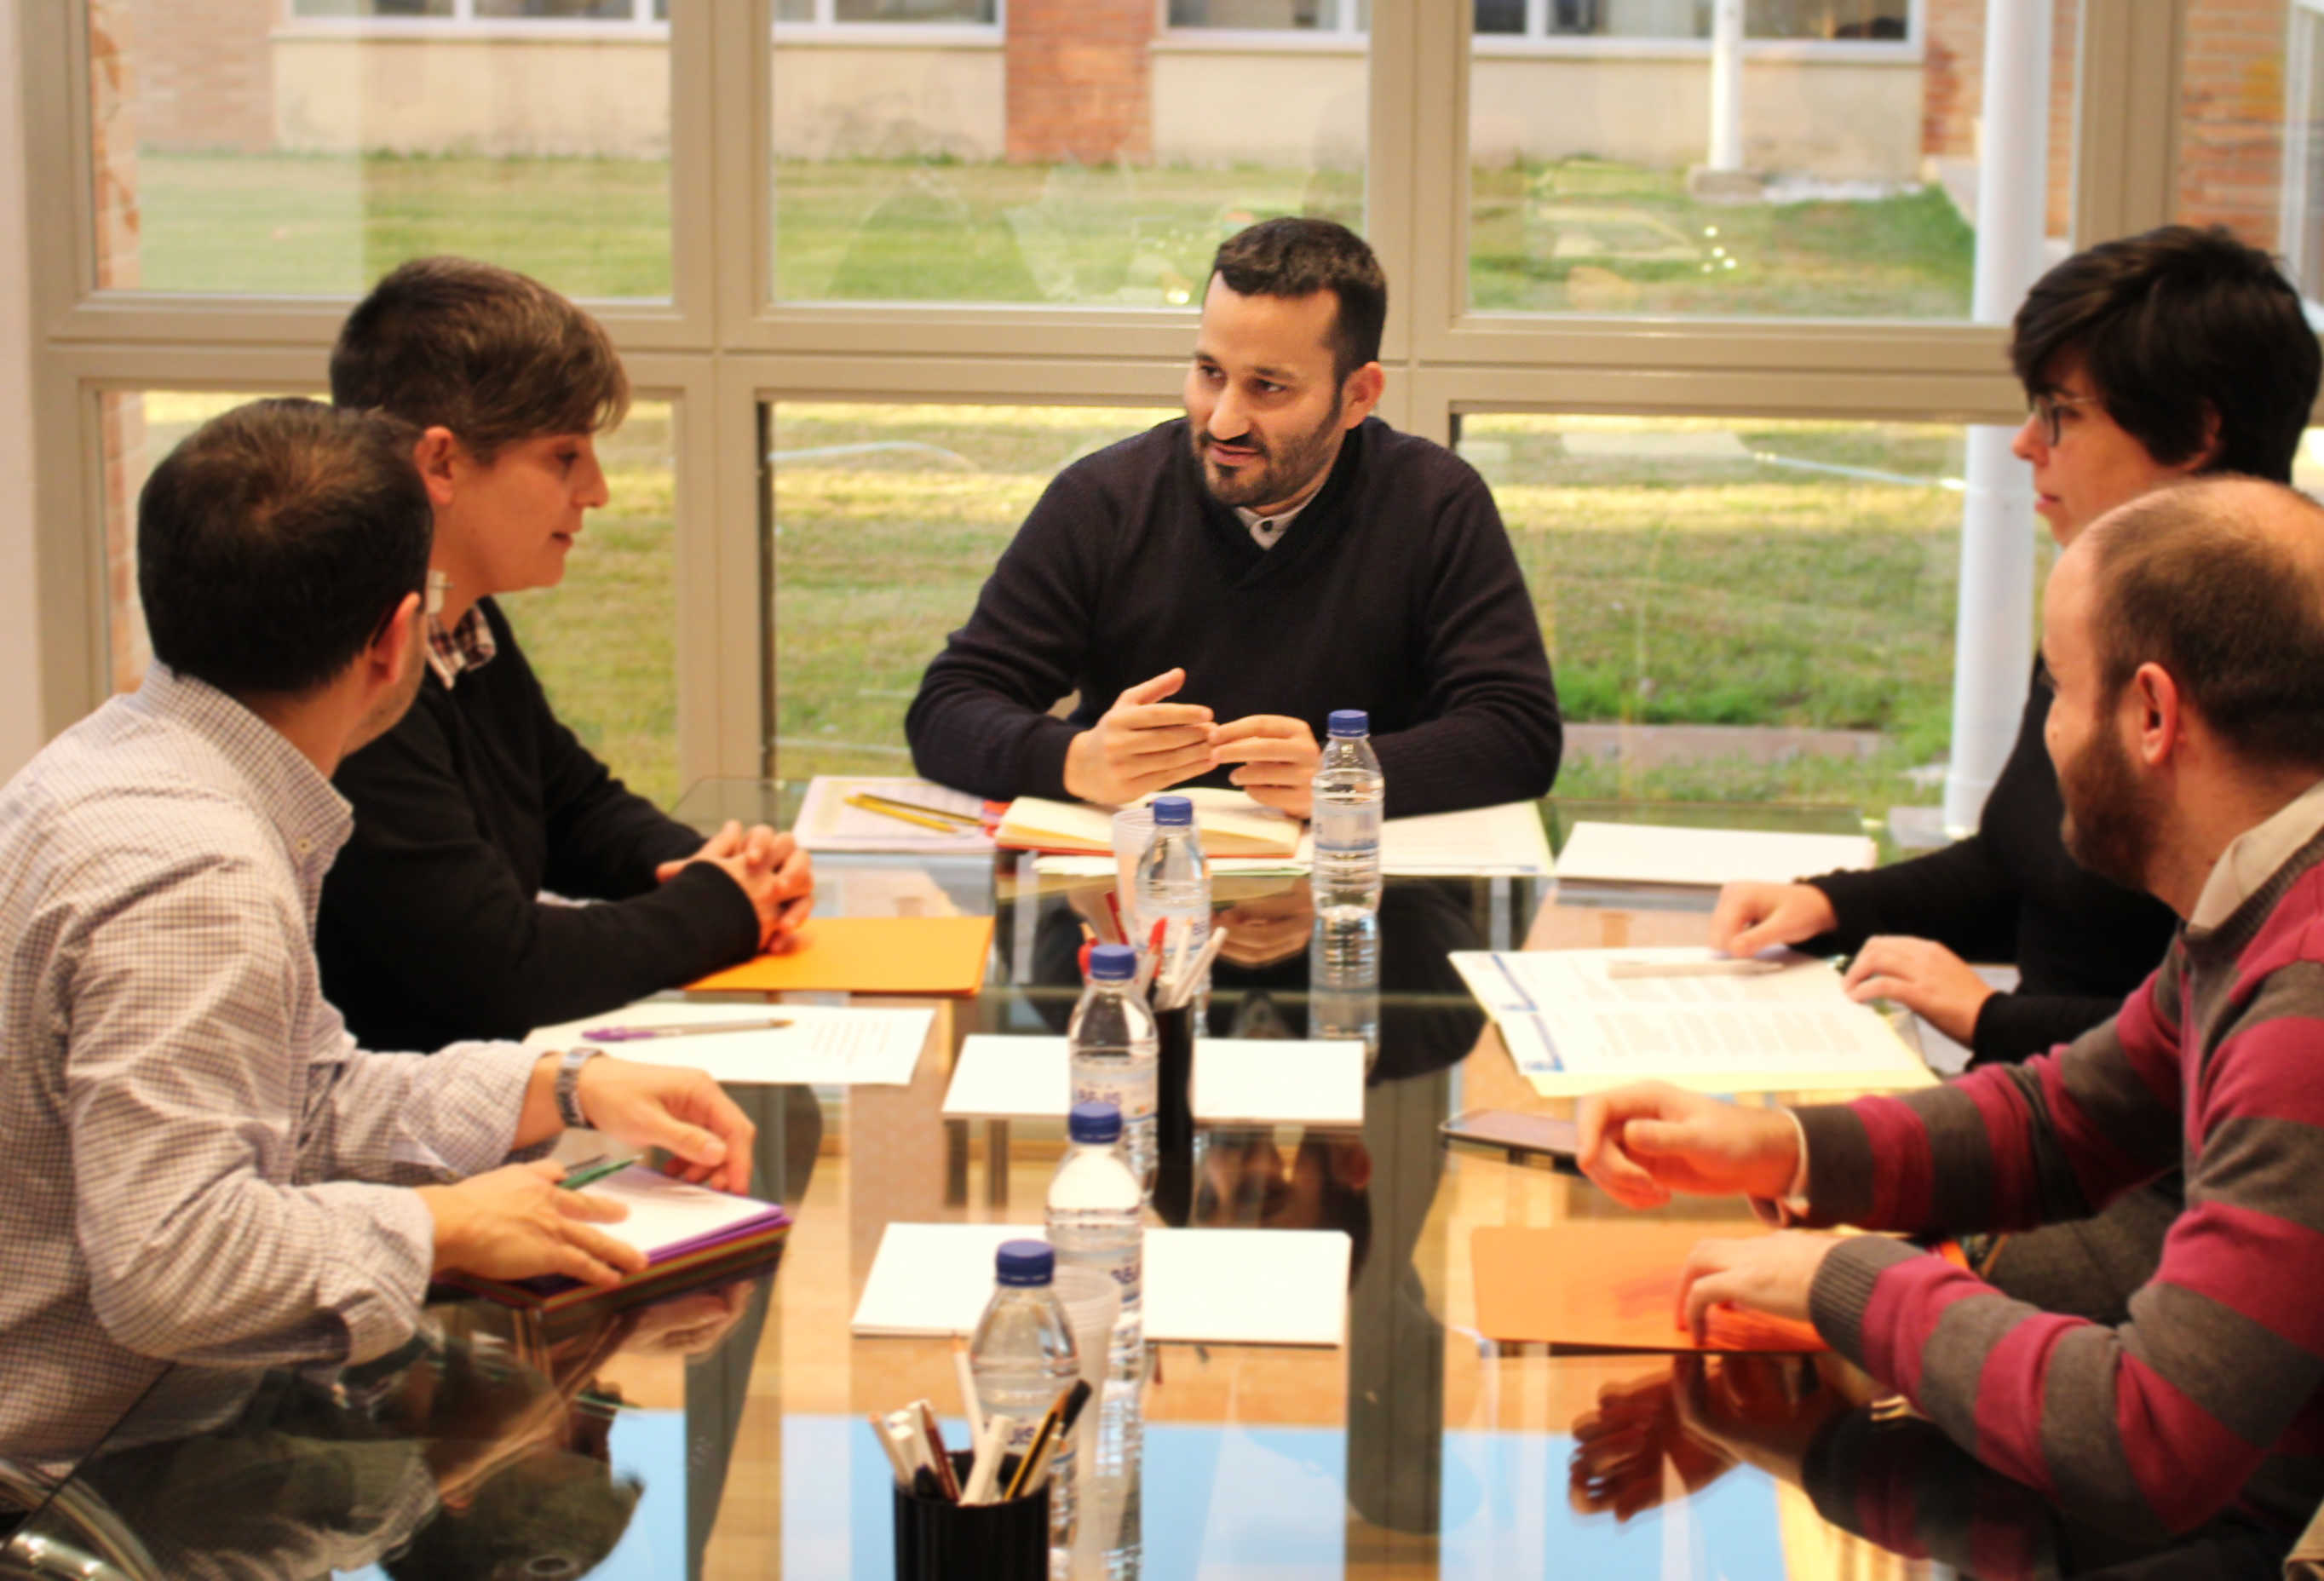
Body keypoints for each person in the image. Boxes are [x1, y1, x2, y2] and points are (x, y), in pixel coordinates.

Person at [1578, 478, 2324, 1539]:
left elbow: (2142, 1439)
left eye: (2057, 687)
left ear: (2151, 714)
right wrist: (1775, 1144)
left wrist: (1847, 1276)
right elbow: (2067, 1117)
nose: (2047, 734)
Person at [0, 399, 760, 1469]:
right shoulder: (196, 875)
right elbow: (171, 1264)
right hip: (75, 1478)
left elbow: (298, 1097)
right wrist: (443, 1226)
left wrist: (566, 1084)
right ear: (397, 638)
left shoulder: (134, 756)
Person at [1711, 225, 2321, 1069]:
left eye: (2059, 414)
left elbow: (2225, 1034)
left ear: (2191, 433)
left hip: (2125, 1157)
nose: (2024, 442)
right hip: (2039, 1109)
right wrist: (1825, 905)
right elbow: (2022, 868)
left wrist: (1989, 1018)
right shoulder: (2109, 606)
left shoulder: (2271, 679)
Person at [905, 217, 1563, 820]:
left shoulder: (1432, 502)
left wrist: (1347, 778)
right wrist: (1075, 760)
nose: (1223, 419)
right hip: (1133, 903)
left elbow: (1519, 732)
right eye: (1209, 372)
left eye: (1268, 387)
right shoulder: (1105, 500)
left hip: (1362, 900)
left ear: (1358, 395)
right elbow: (946, 709)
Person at [315, 257, 813, 1052]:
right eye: (563, 457)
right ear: (440, 462)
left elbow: (571, 805)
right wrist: (722, 905)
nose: (597, 491)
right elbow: (496, 964)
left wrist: (713, 863)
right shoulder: (355, 676)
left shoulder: (462, 622)